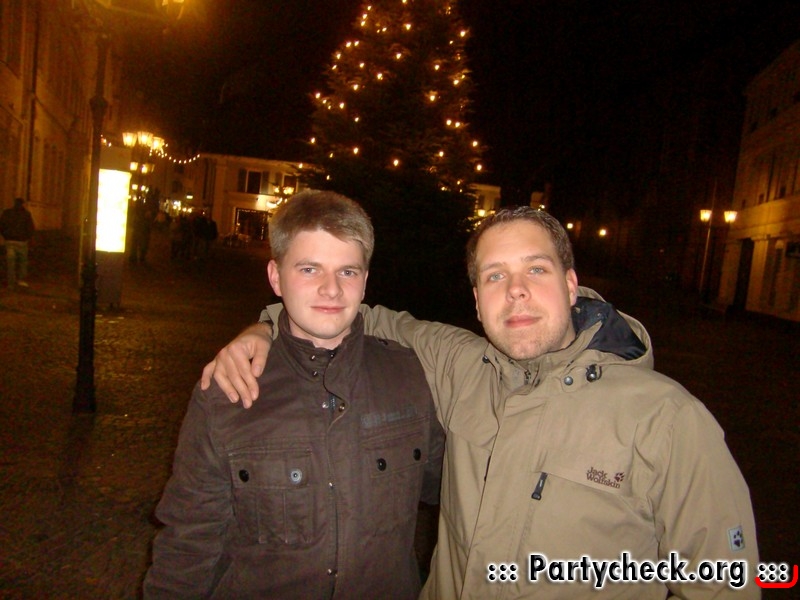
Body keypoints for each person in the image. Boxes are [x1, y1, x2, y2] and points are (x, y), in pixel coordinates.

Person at [202, 206, 760, 598]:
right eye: (496, 276)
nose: (516, 289)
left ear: (571, 285)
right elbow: (353, 314)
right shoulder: (461, 366)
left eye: (535, 269)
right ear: (476, 300)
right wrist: (266, 326)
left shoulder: (666, 420)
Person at [144, 190, 443, 599]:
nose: (331, 289)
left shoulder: (409, 377)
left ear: (365, 281)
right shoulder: (228, 392)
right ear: (275, 276)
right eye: (309, 269)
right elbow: (188, 540)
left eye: (347, 271)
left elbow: (456, 492)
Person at [0, 197, 35, 289]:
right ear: (23, 204)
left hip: (10, 241)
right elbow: (30, 228)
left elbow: (2, 225)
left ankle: (11, 283)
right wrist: (27, 238)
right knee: (22, 262)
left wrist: (6, 236)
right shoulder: (26, 214)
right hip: (22, 242)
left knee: (10, 263)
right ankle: (21, 280)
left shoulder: (7, 213)